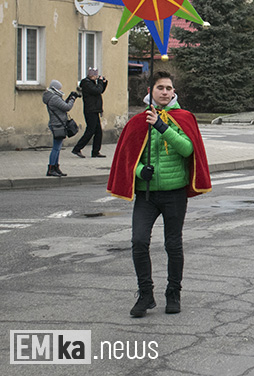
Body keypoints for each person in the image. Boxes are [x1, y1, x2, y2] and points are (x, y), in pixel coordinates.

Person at [107, 71, 211, 318]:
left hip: (174, 193)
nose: (165, 92)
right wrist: (142, 171)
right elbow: (129, 159)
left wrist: (162, 127)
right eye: (160, 88)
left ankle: (173, 292)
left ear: (174, 92)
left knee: (173, 244)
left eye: (169, 88)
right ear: (150, 92)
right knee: (139, 241)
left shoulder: (183, 118)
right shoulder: (137, 122)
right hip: (147, 195)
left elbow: (187, 150)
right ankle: (145, 294)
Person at [42, 80, 79, 177]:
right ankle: (51, 168)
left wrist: (69, 97)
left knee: (57, 147)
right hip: (58, 125)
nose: (60, 90)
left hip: (57, 124)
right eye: (59, 88)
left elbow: (61, 106)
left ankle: (55, 167)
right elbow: (67, 107)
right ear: (55, 88)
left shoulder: (51, 96)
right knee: (56, 148)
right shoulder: (54, 98)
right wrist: (73, 99)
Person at [72, 67, 108, 158]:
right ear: (91, 75)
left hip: (95, 110)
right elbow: (97, 90)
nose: (96, 77)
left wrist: (104, 83)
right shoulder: (86, 83)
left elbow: (101, 90)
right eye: (95, 75)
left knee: (98, 132)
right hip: (90, 110)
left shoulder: (92, 83)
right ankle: (77, 148)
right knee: (90, 130)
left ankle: (95, 151)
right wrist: (100, 83)